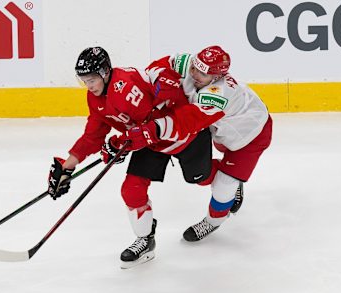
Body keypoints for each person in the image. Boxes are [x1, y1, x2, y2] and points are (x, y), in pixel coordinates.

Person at [47, 46, 213, 268]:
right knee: (131, 190)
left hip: (181, 136)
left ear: (105, 72)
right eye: (84, 80)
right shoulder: (96, 96)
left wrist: (118, 145)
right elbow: (94, 133)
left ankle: (229, 184)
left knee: (201, 178)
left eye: (93, 79)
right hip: (152, 142)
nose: (89, 86)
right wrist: (68, 166)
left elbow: (149, 127)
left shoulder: (124, 88)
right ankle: (145, 240)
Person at [114, 45, 273, 242]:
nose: (195, 74)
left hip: (251, 135)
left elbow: (187, 121)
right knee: (219, 173)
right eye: (195, 69)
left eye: (202, 74)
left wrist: (152, 129)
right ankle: (232, 183)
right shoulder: (190, 63)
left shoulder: (218, 94)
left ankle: (214, 221)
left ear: (216, 78)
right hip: (222, 131)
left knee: (224, 185)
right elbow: (157, 67)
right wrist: (164, 77)